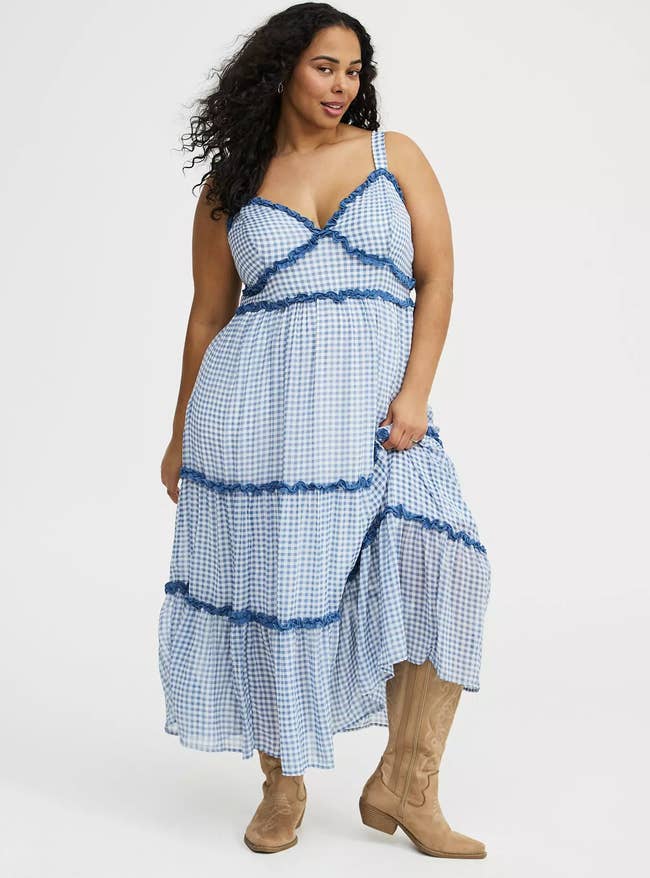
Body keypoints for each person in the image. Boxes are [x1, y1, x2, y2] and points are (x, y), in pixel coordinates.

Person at [158, 1, 491, 858]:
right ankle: (282, 786)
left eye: (353, 70)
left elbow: (438, 276)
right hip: (258, 417)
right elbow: (207, 317)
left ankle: (407, 783)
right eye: (324, 67)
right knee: (279, 594)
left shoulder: (392, 155)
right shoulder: (231, 186)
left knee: (448, 566)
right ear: (281, 70)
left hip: (378, 413)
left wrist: (416, 393)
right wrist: (181, 433)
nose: (342, 85)